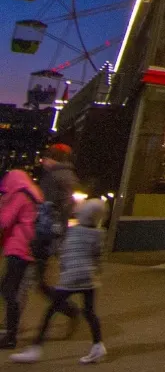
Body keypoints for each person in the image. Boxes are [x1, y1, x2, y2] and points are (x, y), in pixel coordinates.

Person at [12, 197, 106, 364]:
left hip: (71, 278)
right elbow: (97, 256)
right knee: (90, 312)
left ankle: (35, 349)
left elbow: (64, 251)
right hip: (89, 279)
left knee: (50, 311)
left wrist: (62, 269)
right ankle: (98, 346)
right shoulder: (98, 234)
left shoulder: (74, 231)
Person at [32, 146, 76, 318]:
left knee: (32, 281)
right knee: (37, 281)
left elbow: (46, 207)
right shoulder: (67, 176)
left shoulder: (54, 177)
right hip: (52, 235)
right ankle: (68, 309)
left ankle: (68, 309)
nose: (43, 161)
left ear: (53, 159)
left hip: (44, 235)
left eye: (46, 158)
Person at [0, 171, 42, 349]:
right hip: (26, 248)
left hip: (18, 248)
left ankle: (10, 336)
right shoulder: (33, 195)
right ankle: (10, 332)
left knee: (9, 292)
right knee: (8, 289)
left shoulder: (19, 196)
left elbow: (4, 221)